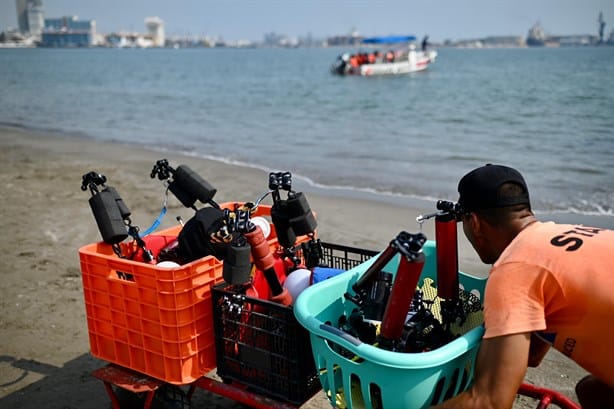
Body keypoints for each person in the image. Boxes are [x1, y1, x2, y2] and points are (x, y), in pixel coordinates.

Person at [433, 164, 614, 409]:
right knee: (593, 392)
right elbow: (532, 356)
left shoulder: (514, 267)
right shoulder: (564, 237)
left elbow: (490, 401)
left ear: (473, 222)